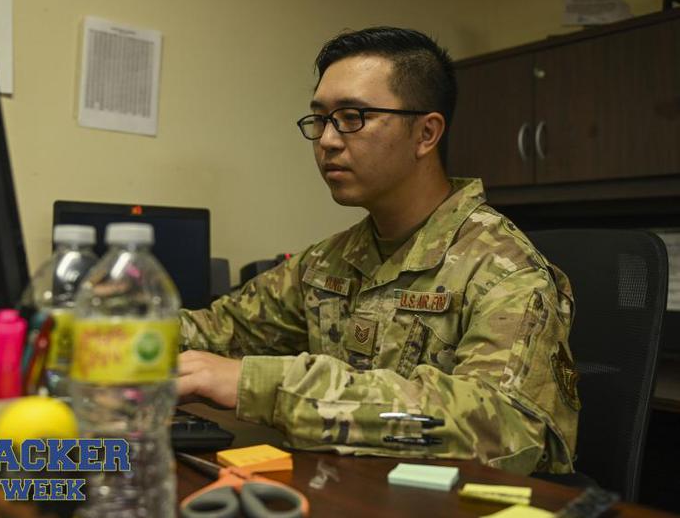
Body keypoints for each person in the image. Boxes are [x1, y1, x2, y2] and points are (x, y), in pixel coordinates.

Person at [176, 27, 579, 475]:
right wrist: (102, 331)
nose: (327, 140)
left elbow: (506, 427)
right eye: (321, 119)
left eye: (352, 117)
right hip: (349, 491)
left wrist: (266, 386)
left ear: (426, 134)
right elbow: (213, 332)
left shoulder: (503, 268)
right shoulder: (327, 262)